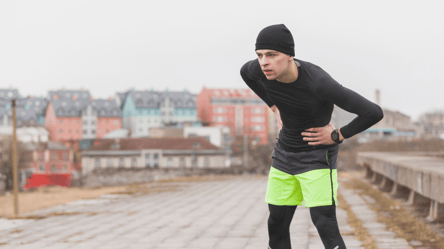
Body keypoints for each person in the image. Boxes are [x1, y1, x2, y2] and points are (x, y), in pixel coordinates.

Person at [240, 24, 383, 249]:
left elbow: (372, 112)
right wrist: (274, 107)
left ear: (290, 56)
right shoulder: (259, 71)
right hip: (284, 155)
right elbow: (245, 73)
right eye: (259, 55)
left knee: (324, 224)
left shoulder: (318, 82)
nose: (263, 62)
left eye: (271, 55)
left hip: (317, 158)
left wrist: (338, 135)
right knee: (276, 224)